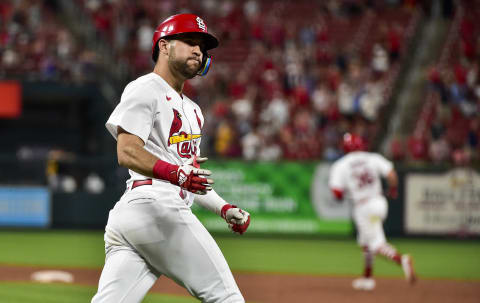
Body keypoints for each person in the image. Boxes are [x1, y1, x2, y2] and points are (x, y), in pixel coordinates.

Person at [92, 14, 251, 303]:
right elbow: (126, 150)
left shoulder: (194, 110)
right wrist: (178, 175)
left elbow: (189, 177)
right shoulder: (145, 88)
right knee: (227, 297)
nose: (198, 51)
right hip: (155, 207)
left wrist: (224, 208)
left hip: (137, 218)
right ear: (164, 46)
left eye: (202, 48)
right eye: (190, 42)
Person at [328, 133, 416, 291]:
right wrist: (394, 190)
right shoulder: (373, 157)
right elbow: (391, 174)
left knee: (376, 244)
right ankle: (367, 279)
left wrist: (345, 193)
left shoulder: (341, 165)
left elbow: (336, 193)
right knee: (365, 243)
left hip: (364, 208)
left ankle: (402, 260)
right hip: (379, 202)